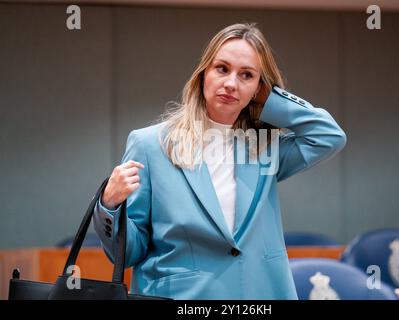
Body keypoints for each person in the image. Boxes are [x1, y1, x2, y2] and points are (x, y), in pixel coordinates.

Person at [93, 22, 346, 300]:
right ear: (203, 74)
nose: (230, 84)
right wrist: (109, 204)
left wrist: (270, 98)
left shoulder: (263, 146)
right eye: (222, 69)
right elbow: (130, 252)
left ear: (258, 88)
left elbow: (328, 135)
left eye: (246, 75)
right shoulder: (150, 145)